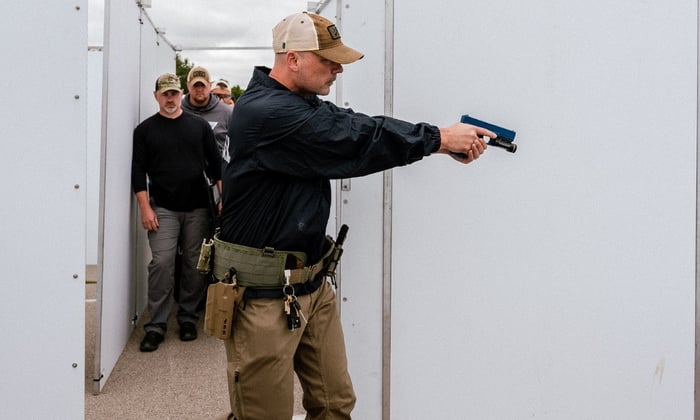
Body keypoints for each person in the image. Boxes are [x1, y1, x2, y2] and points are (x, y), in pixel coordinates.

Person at [215, 12, 494, 419]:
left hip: (310, 287)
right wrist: (439, 138)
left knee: (335, 405)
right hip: (263, 297)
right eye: (327, 59)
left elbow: (352, 124)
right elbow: (353, 139)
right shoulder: (266, 113)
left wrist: (438, 144)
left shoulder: (299, 103)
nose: (338, 68)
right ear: (293, 59)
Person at [131, 73, 222, 352]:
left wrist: (223, 197)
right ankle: (156, 325)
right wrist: (145, 208)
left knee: (195, 264)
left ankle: (187, 317)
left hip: (198, 208)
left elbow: (216, 165)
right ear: (156, 96)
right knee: (162, 263)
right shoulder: (145, 131)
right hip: (163, 209)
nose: (170, 99)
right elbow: (138, 173)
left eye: (174, 94)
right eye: (165, 94)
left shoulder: (199, 127)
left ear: (180, 94)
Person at [181, 66, 233, 168]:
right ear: (188, 86)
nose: (199, 89)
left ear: (210, 86)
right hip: (184, 176)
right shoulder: (178, 111)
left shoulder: (227, 113)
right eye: (195, 85)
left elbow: (235, 148)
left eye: (203, 85)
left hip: (217, 177)